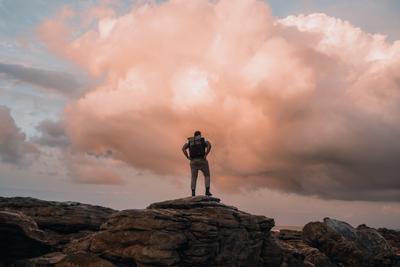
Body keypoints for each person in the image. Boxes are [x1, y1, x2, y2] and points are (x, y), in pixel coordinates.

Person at [182, 130, 212, 197]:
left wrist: (187, 157)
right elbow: (209, 145)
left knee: (193, 177)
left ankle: (193, 193)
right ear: (200, 135)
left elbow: (183, 148)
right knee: (207, 175)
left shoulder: (190, 141)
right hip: (202, 160)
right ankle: (207, 191)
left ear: (194, 135)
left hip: (193, 161)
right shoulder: (202, 140)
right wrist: (206, 154)